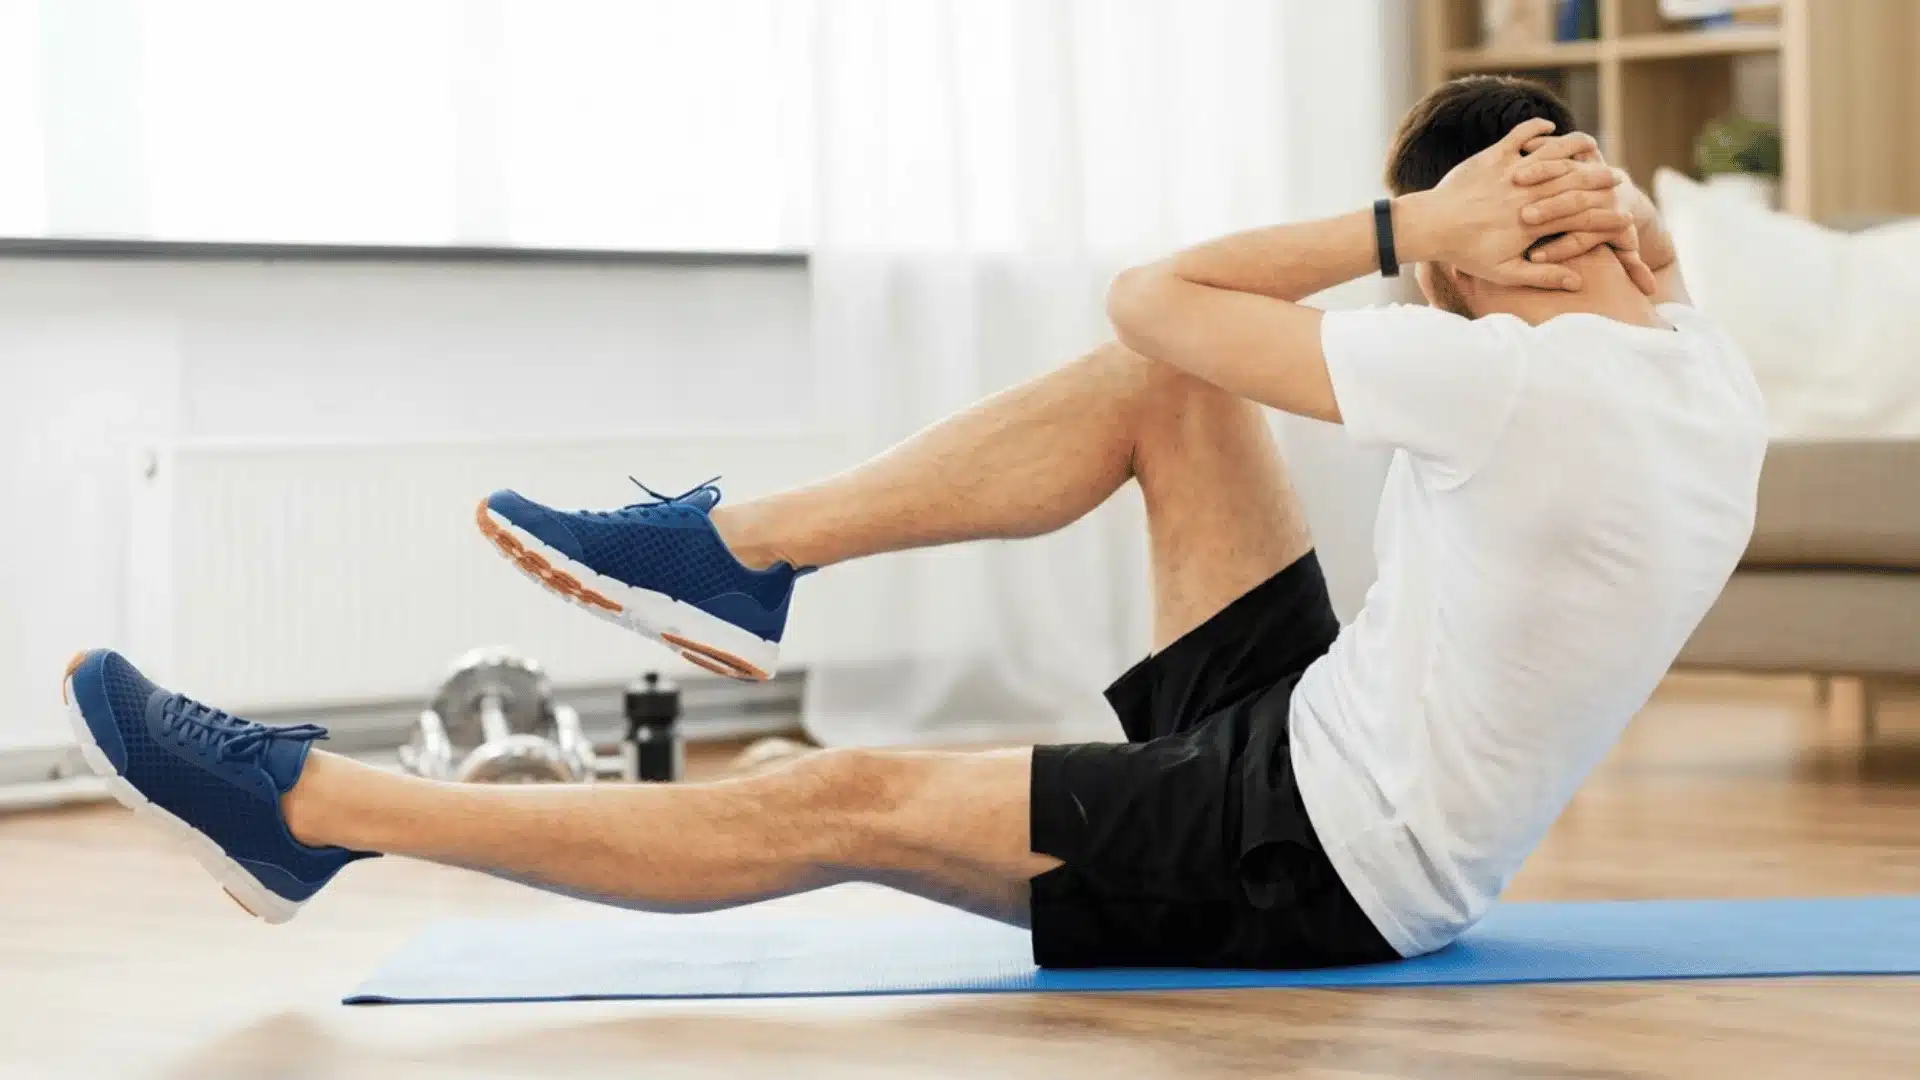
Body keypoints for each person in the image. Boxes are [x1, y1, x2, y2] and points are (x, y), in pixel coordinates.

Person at [66, 76, 1764, 968]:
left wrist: (1406, 220)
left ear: (1476, 270)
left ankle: (314, 810)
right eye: (1554, 166)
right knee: (1160, 394)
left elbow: (1156, 288)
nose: (1578, 193)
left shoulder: (1504, 382)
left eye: (1563, 183)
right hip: (1312, 737)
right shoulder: (1698, 364)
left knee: (840, 796)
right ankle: (740, 565)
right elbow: (1171, 351)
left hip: (1311, 860)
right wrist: (1563, 226)